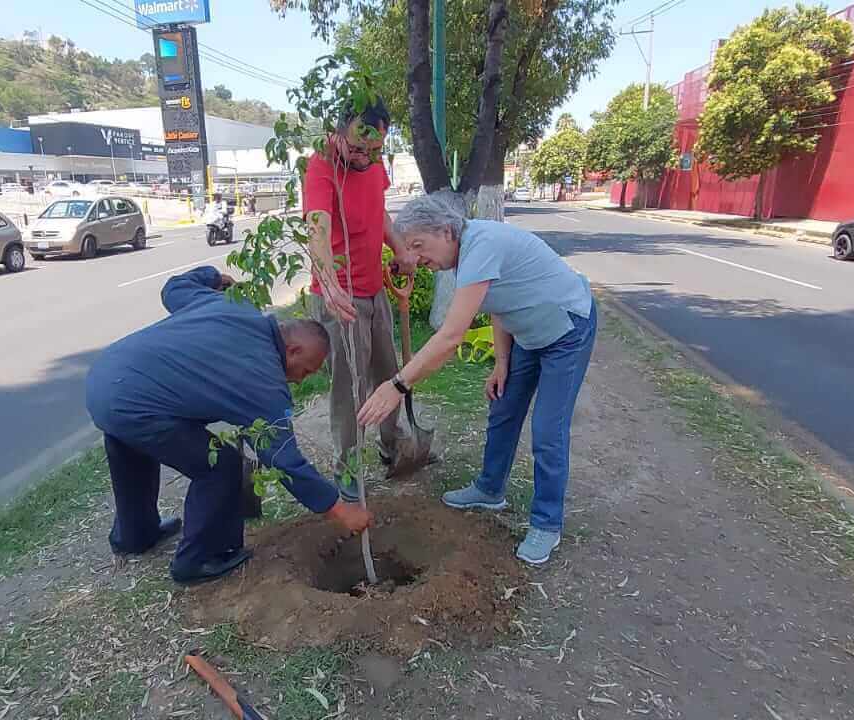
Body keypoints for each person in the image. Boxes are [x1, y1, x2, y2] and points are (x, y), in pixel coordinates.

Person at [86, 267, 373, 584]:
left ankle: (135, 536)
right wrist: (339, 510)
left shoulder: (235, 306)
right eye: (306, 370)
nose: (300, 379)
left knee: (131, 445)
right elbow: (283, 460)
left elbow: (174, 289)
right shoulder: (265, 381)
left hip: (106, 379)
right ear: (292, 349)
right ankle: (197, 560)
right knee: (221, 467)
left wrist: (214, 277)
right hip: (132, 401)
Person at [357, 192, 598, 565]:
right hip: (529, 336)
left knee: (549, 430)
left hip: (567, 329)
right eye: (410, 248)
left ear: (446, 230)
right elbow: (499, 303)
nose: (416, 257)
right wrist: (502, 362)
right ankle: (489, 489)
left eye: (419, 245)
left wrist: (397, 384)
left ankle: (547, 524)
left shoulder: (481, 245)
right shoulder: (466, 257)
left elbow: (451, 337)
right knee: (503, 408)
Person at [303, 98, 414, 496]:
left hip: (375, 289)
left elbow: (379, 210)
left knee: (390, 375)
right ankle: (347, 468)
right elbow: (317, 225)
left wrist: (400, 247)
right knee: (350, 388)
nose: (365, 157)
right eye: (357, 147)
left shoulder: (373, 161)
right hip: (341, 298)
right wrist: (329, 283)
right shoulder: (321, 166)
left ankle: (393, 444)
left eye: (375, 150)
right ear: (339, 131)